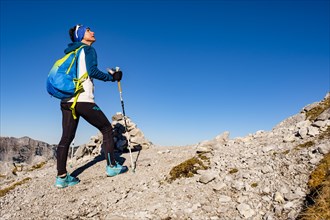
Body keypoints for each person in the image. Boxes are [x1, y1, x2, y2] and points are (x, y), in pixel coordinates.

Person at [55, 24, 128, 188]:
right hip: (83, 100)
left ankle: (61, 178)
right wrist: (113, 77)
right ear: (81, 35)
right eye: (88, 30)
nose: (93, 32)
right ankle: (112, 167)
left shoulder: (71, 53)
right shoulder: (87, 50)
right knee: (107, 129)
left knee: (66, 137)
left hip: (66, 101)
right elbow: (92, 71)